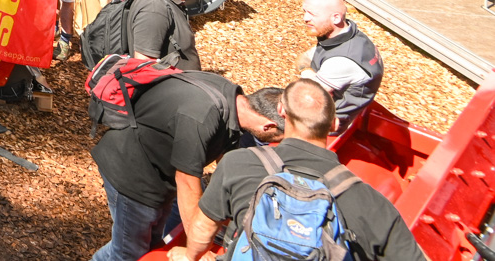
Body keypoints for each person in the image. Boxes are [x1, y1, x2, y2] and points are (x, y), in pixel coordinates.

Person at [170, 79, 425, 261]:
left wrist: (191, 255)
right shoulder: (369, 202)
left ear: (281, 112)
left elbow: (204, 227)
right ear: (334, 124)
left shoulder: (238, 163)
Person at [89, 69, 282, 261]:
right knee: (129, 253)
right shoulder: (202, 117)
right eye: (281, 138)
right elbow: (187, 182)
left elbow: (228, 165)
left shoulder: (234, 101)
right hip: (131, 171)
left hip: (160, 172)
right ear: (269, 126)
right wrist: (198, 249)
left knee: (150, 243)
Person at [296, 0, 384, 129]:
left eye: (312, 14)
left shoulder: (342, 61)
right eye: (304, 11)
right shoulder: (351, 35)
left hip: (330, 124)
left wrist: (304, 70)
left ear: (336, 18)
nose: (305, 18)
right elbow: (308, 56)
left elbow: (310, 93)